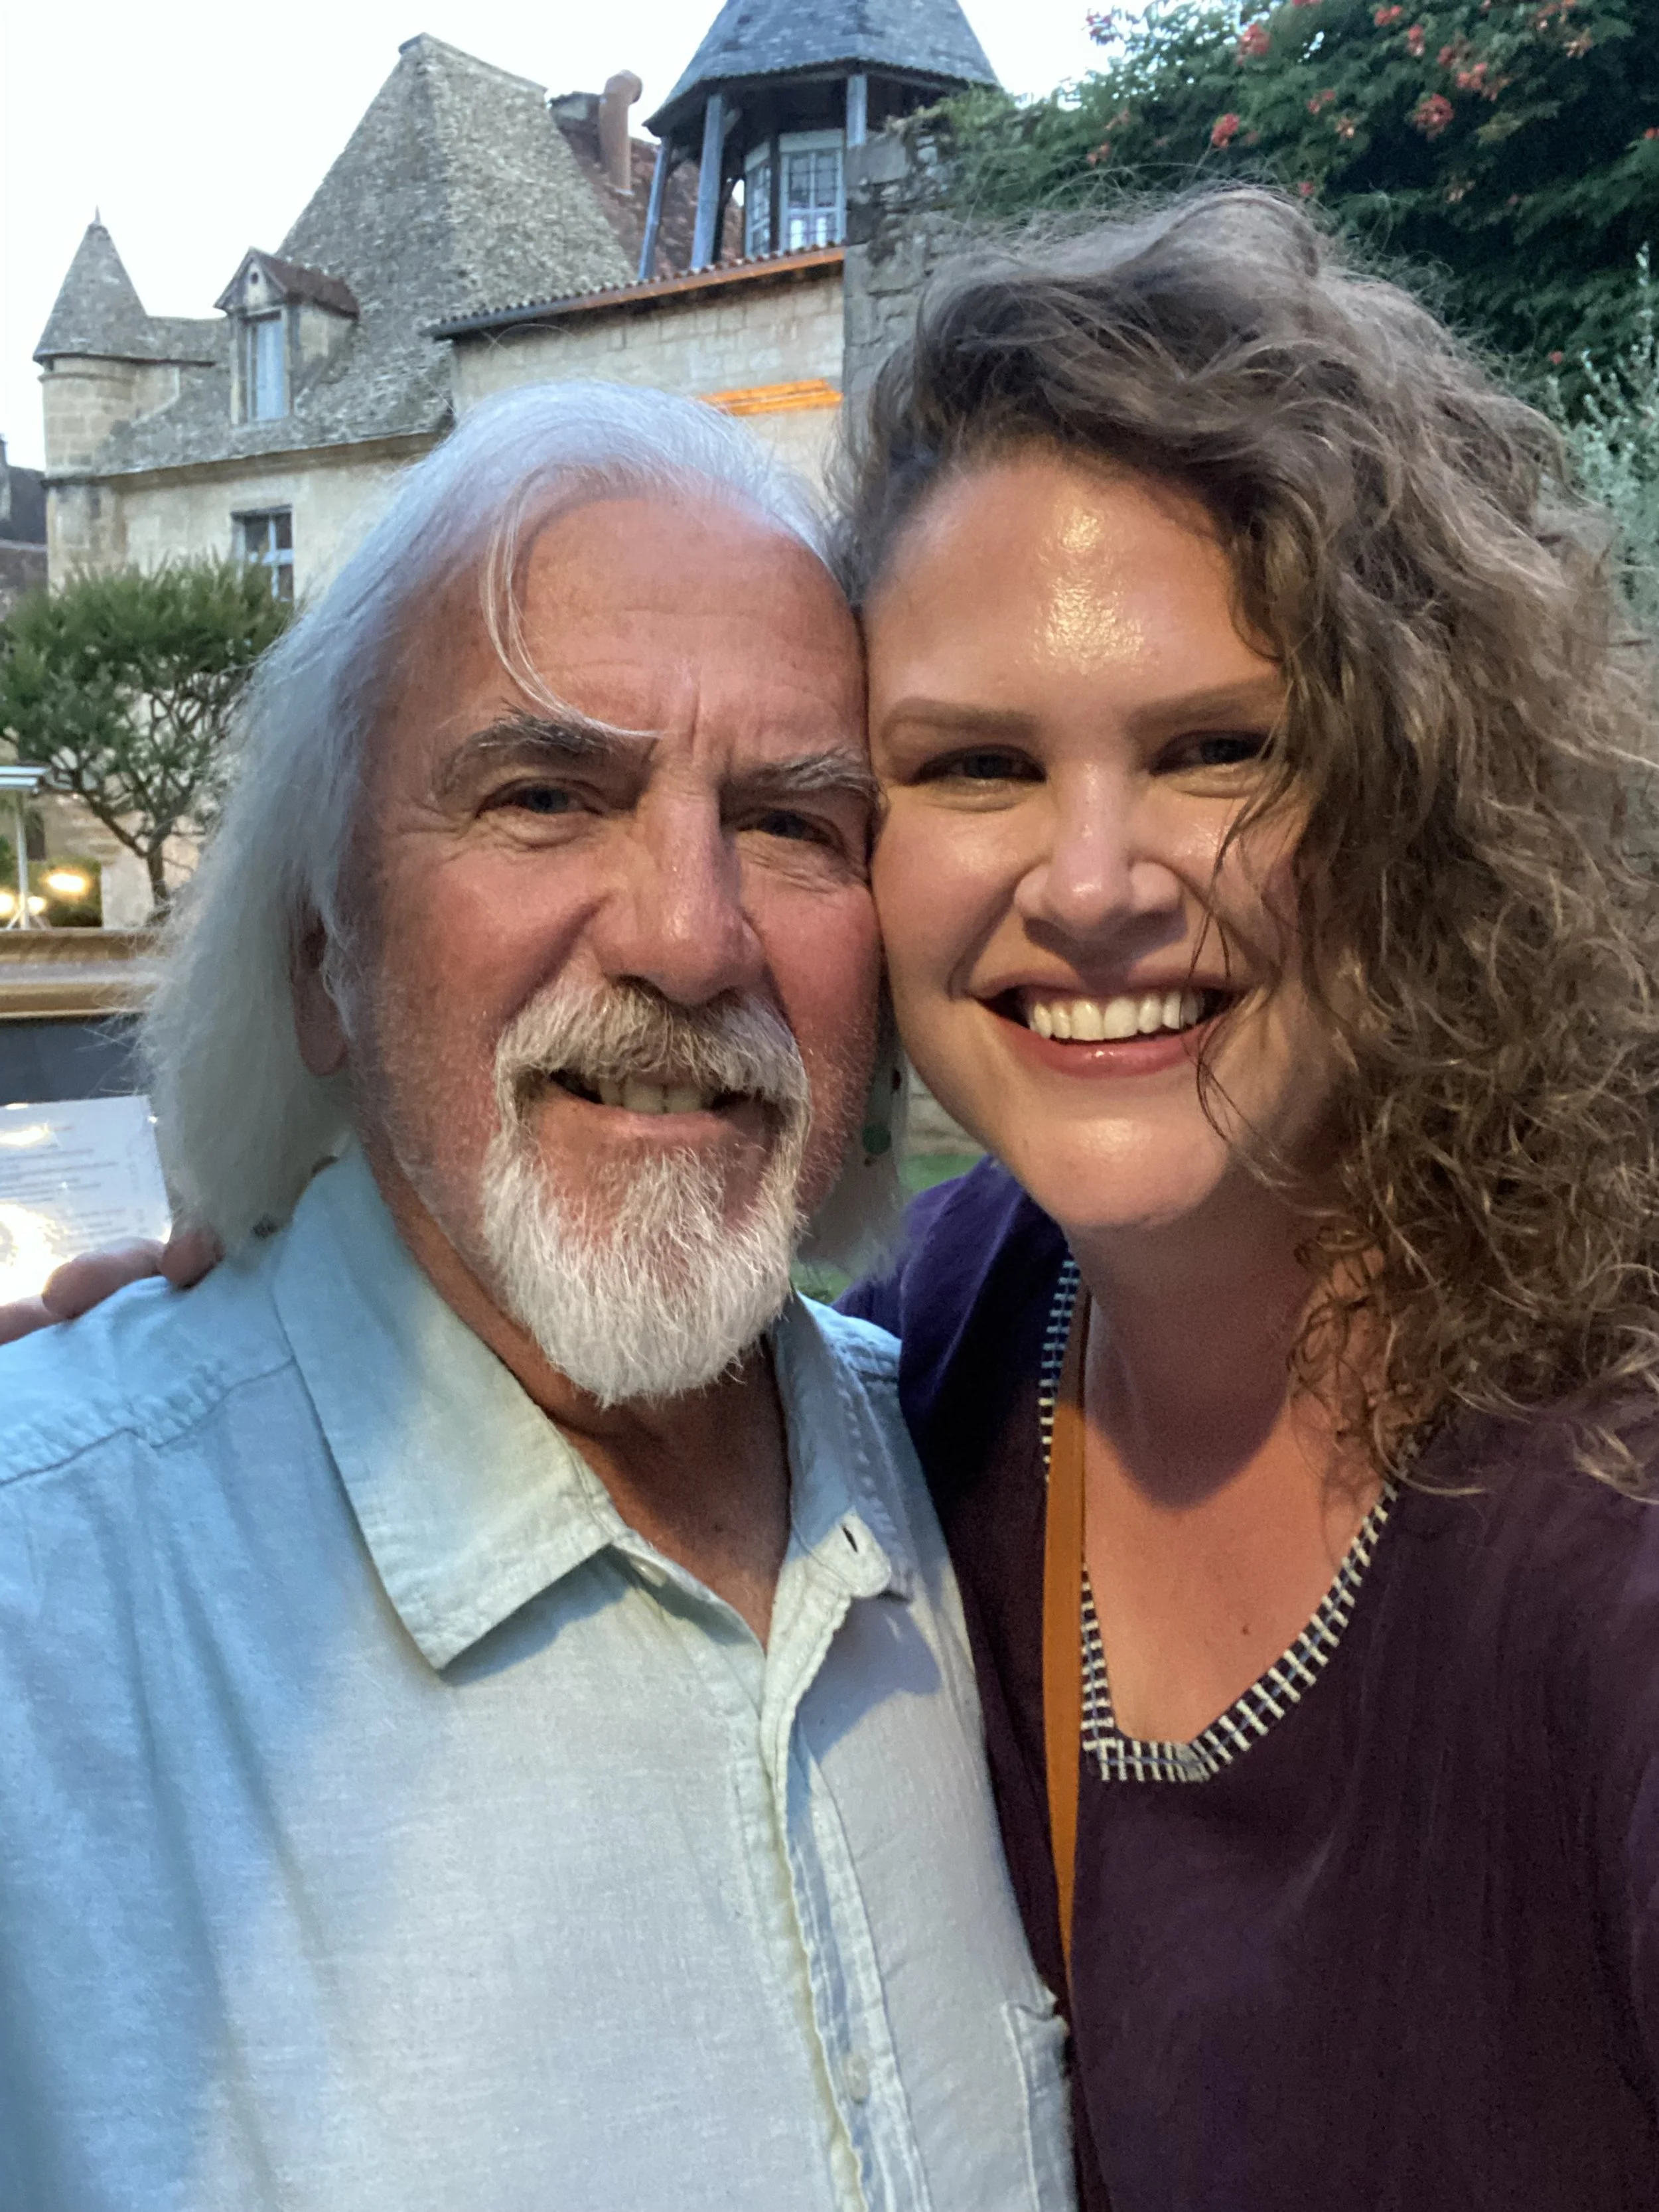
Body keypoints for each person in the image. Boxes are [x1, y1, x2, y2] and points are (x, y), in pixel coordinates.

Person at [0, 384, 1071, 2212]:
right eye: (544, 794)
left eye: (794, 822)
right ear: (322, 950)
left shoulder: (991, 1495)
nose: (686, 933)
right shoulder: (52, 1621)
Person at [835, 189, 1659, 2207]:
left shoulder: (1605, 1493)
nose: (1097, 879)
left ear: (1428, 793)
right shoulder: (945, 1324)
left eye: (1222, 749)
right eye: (971, 767)